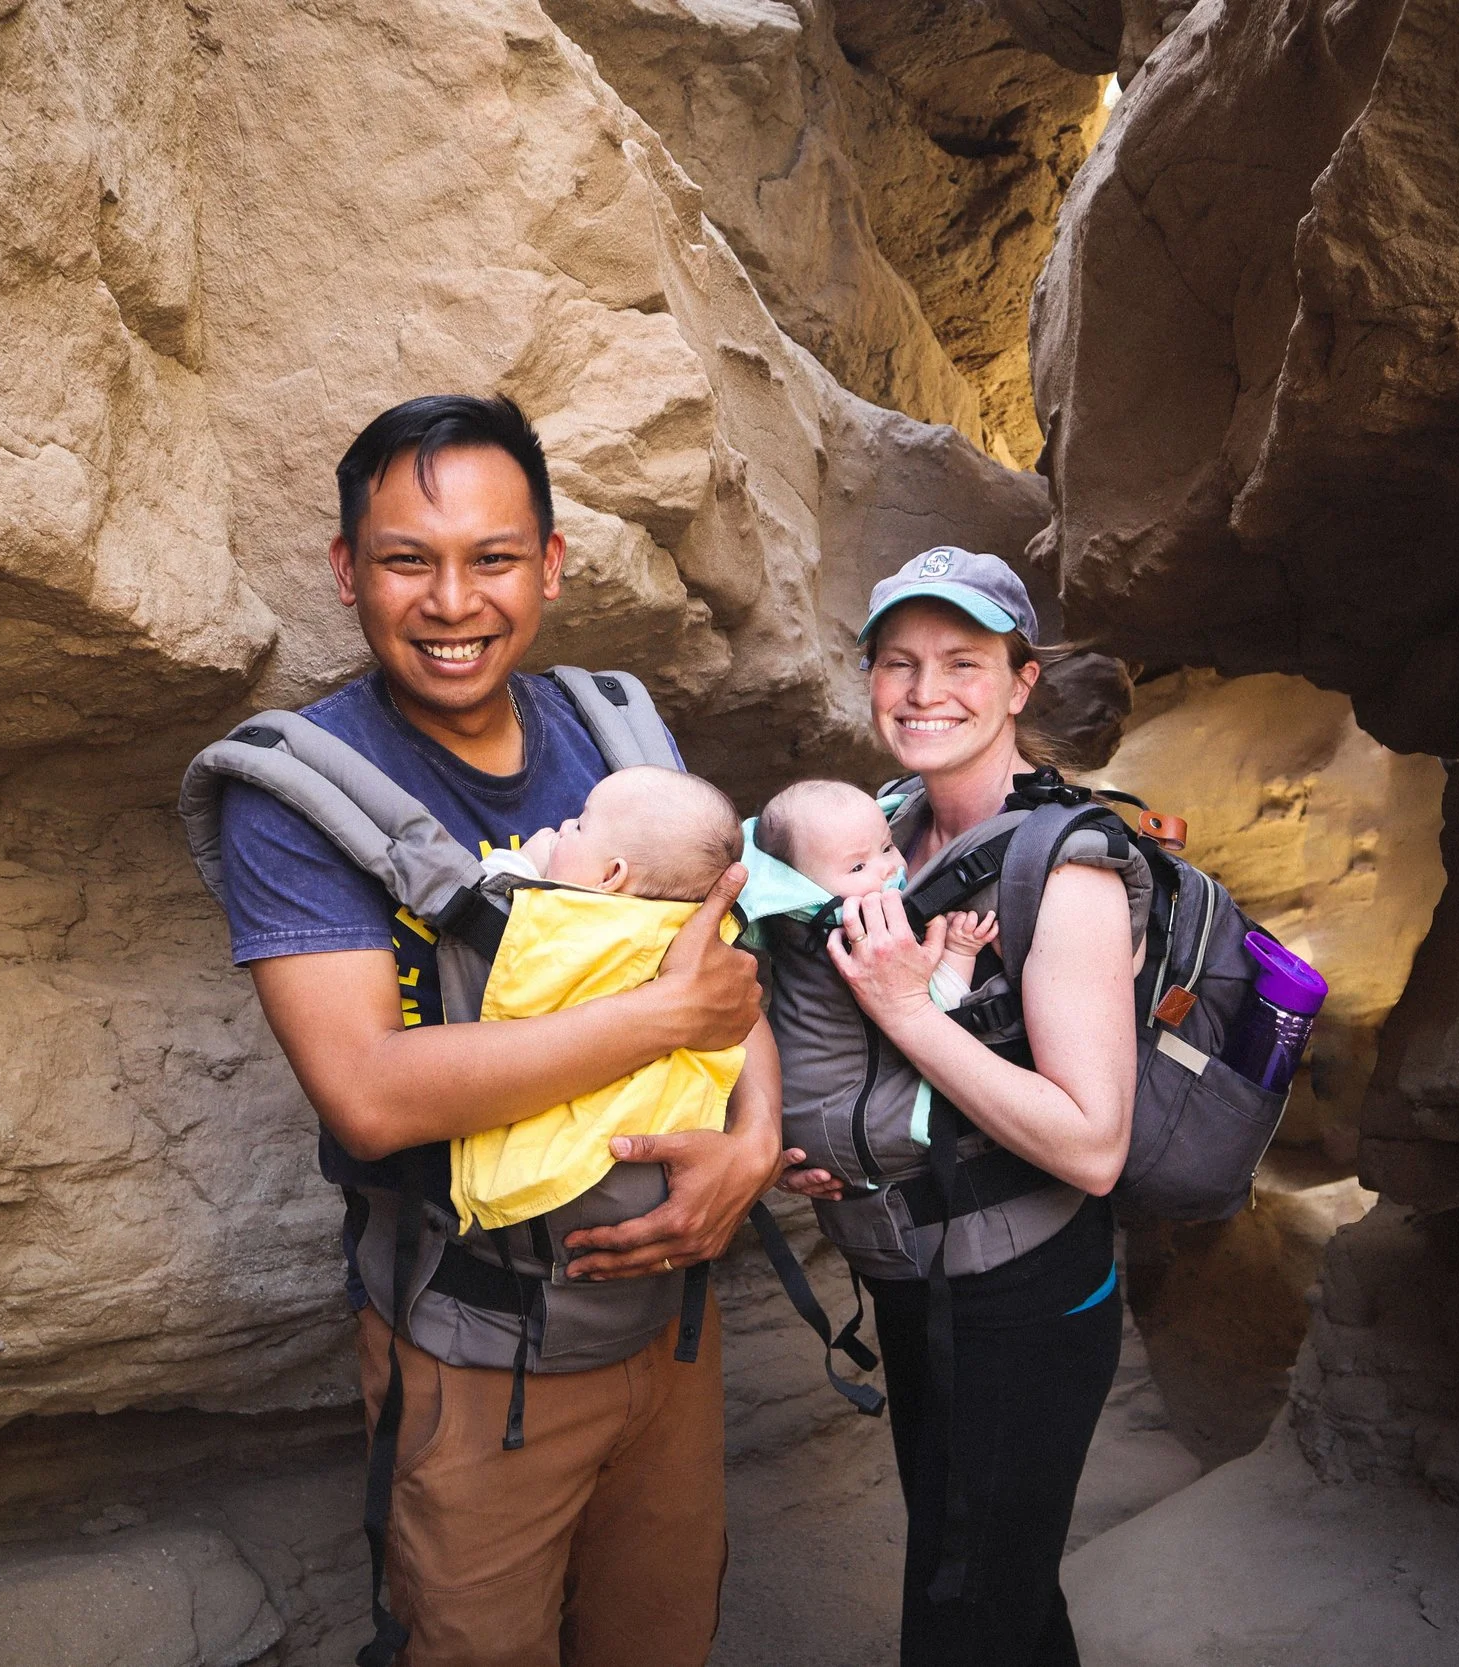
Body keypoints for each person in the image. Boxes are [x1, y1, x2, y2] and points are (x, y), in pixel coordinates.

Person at [212, 394, 787, 1667]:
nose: (452, 601)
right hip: (474, 1350)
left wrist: (756, 1137)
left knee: (662, 1630)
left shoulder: (619, 738)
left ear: (551, 563)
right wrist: (660, 1016)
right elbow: (371, 1092)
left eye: (492, 557)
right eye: (406, 559)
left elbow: (722, 960)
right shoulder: (300, 790)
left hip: (669, 1316)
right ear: (347, 570)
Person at [772, 547, 1146, 1667]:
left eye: (961, 661)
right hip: (913, 1275)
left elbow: (1093, 1144)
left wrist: (907, 1008)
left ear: (1022, 681)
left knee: (964, 1602)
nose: (922, 689)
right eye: (897, 661)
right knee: (993, 1584)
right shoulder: (875, 832)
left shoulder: (1065, 871)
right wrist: (810, 1144)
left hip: (1024, 1295)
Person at [455, 767, 750, 1234]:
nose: (561, 827)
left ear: (611, 876)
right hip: (654, 1154)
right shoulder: (689, 928)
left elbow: (519, 983)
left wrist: (523, 866)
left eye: (578, 825)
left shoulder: (570, 926)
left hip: (564, 1157)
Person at [747, 777, 998, 1012]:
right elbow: (939, 1011)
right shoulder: (861, 938)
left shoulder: (784, 925)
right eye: (858, 867)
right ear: (801, 887)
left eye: (887, 847)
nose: (889, 867)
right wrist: (959, 951)